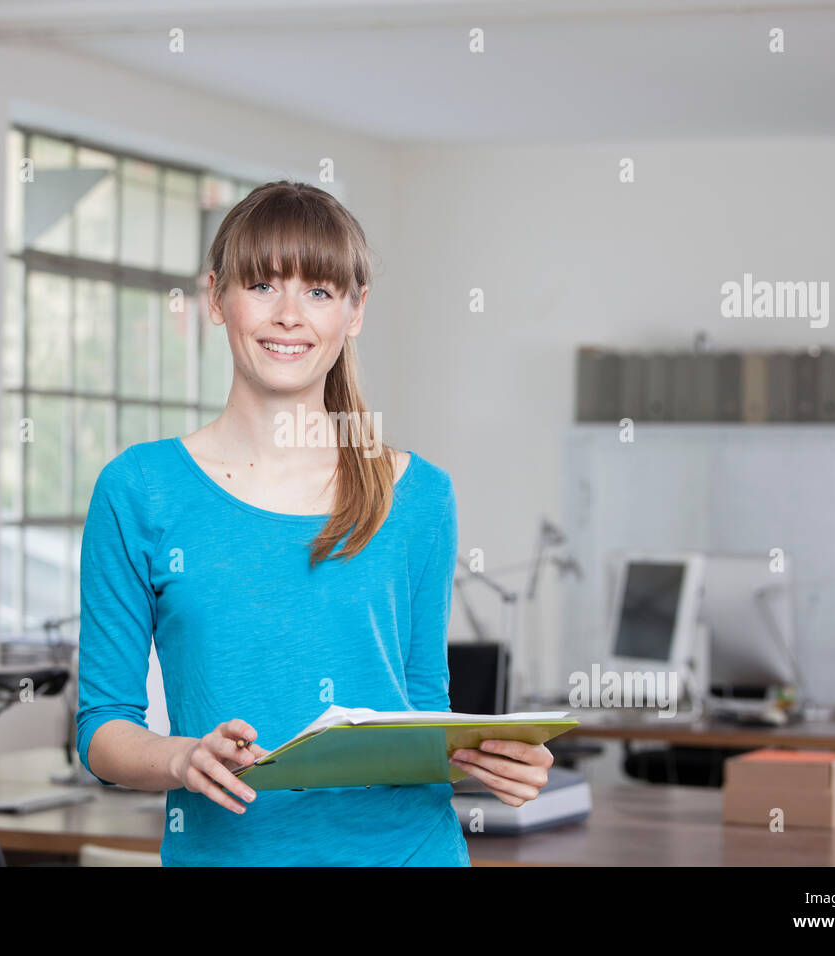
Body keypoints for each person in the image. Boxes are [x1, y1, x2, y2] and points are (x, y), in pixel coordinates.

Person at [76, 180, 553, 866]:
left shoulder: (419, 497)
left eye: (321, 292)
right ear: (216, 297)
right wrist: (182, 758)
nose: (290, 316)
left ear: (355, 311)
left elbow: (420, 713)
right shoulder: (139, 490)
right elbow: (103, 728)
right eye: (264, 286)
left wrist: (492, 763)